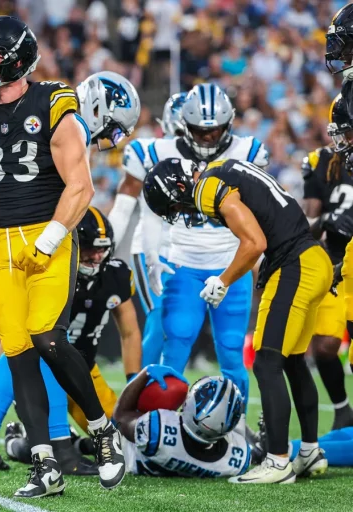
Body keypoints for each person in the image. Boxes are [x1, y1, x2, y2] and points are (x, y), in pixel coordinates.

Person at [0, 20, 140, 493]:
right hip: (0, 242)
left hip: (47, 234)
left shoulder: (55, 103)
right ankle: (45, 466)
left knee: (47, 338)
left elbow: (82, 186)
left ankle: (103, 432)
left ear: (17, 59)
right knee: (17, 353)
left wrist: (51, 239)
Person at [143, 158, 332, 484]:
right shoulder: (223, 166)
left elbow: (254, 242)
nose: (182, 211)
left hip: (295, 264)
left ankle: (277, 461)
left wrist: (223, 280)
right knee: (293, 362)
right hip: (312, 259)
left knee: (266, 363)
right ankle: (309, 451)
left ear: (179, 186)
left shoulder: (206, 187)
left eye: (175, 204)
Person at [0, 208, 142, 474]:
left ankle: (48, 444)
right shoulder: (48, 270)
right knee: (40, 354)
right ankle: (31, 444)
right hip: (44, 370)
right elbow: (11, 346)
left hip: (85, 371)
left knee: (127, 442)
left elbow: (130, 332)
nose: (96, 256)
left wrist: (132, 381)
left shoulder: (115, 275)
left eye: (101, 249)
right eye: (89, 248)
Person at [136, 84, 269, 406]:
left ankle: (235, 428)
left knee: (231, 350)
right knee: (176, 343)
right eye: (199, 130)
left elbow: (261, 210)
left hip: (230, 264)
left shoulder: (249, 151)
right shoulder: (161, 151)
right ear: (184, 124)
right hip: (183, 262)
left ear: (229, 123)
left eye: (214, 130)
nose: (208, 137)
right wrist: (153, 254)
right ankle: (159, 419)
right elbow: (150, 209)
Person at [108, 92, 186, 366]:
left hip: (195, 252)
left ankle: (169, 395)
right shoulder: (147, 151)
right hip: (155, 248)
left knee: (182, 328)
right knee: (161, 317)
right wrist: (106, 248)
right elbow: (123, 207)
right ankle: (142, 394)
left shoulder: (215, 155)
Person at [300, 94, 353, 430]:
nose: (342, 139)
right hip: (335, 259)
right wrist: (328, 221)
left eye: (347, 131)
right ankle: (343, 409)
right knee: (324, 345)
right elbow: (309, 221)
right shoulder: (323, 161)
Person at [113, 369, 250, 478]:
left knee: (171, 389)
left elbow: (121, 415)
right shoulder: (238, 460)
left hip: (124, 450)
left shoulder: (157, 429)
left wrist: (145, 374)